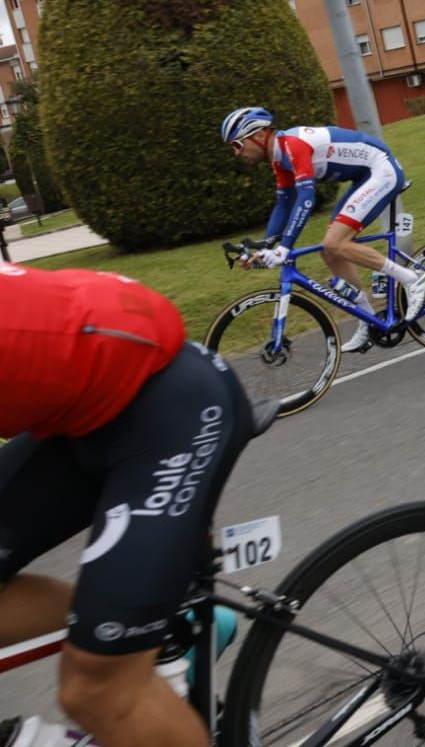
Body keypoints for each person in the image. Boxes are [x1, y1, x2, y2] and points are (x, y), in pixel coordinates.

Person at [0, 265, 252, 747]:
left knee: (96, 691)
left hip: (167, 406)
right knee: (108, 635)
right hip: (80, 409)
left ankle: (130, 629)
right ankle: (145, 619)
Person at [222, 108, 425, 353]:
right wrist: (266, 248)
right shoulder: (279, 159)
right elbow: (285, 203)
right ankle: (367, 318)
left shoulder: (293, 145)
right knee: (330, 252)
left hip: (381, 169)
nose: (235, 152)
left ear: (258, 135)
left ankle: (412, 280)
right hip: (364, 176)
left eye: (236, 144)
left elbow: (306, 198)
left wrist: (285, 247)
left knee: (335, 243)